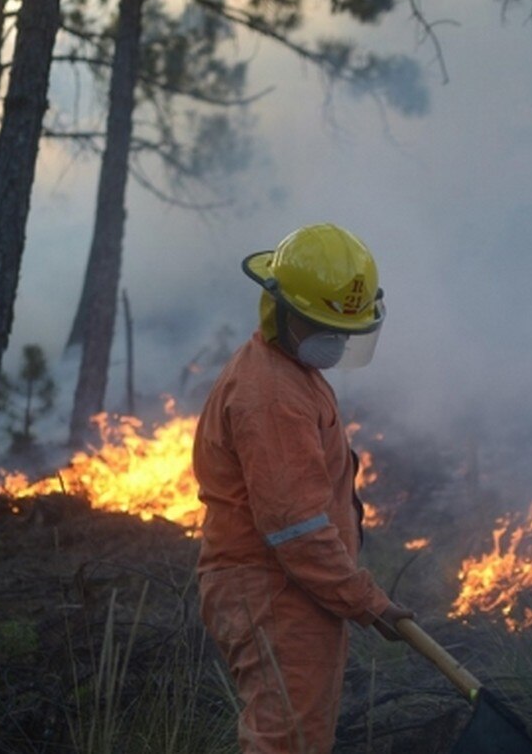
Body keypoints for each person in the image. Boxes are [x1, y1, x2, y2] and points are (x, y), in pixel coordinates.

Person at [192, 223, 414, 753]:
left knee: (297, 736)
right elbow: (298, 530)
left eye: (344, 330)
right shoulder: (272, 396)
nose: (335, 342)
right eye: (322, 327)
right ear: (281, 307)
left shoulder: (288, 370)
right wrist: (366, 601)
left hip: (289, 588)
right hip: (275, 591)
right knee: (287, 743)